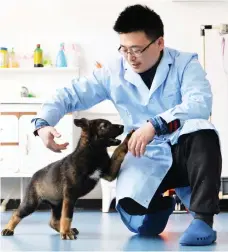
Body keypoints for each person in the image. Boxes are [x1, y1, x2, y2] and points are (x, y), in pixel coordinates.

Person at [32, 4, 222, 246]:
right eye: (124, 49)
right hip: (143, 155)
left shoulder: (185, 63)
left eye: (137, 49)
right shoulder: (113, 71)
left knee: (203, 132)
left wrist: (155, 124)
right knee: (142, 226)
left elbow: (200, 103)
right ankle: (161, 204)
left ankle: (203, 220)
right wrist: (42, 123)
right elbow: (70, 94)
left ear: (159, 43)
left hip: (183, 150)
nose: (130, 57)